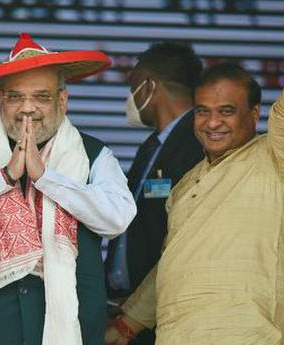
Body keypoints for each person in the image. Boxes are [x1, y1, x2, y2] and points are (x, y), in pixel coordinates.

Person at [105, 0, 284, 344]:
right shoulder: (186, 184)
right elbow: (172, 266)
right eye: (203, 111)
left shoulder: (276, 158)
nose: (212, 123)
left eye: (227, 111)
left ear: (254, 114)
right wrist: (126, 326)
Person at [0, 33, 136, 345]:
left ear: (63, 100)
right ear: (0, 101)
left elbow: (117, 218)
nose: (27, 109)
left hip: (67, 314)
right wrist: (3, 177)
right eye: (15, 97)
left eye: (42, 97)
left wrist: (46, 178)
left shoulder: (93, 154)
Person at [104, 42, 204, 344]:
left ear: (149, 86)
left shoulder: (197, 142)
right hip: (127, 310)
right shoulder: (152, 146)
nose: (130, 99)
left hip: (163, 314)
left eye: (133, 87)